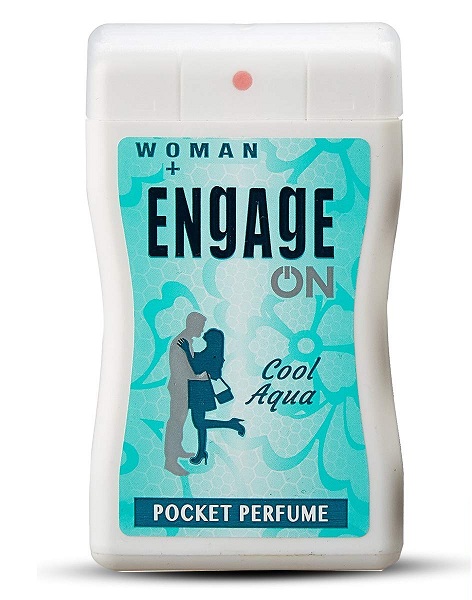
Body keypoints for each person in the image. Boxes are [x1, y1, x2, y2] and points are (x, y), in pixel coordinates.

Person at [177, 328, 245, 466]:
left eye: (208, 337)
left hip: (201, 390)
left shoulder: (212, 356)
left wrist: (186, 350)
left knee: (198, 423)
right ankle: (202, 451)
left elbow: (197, 369)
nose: (205, 337)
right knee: (200, 424)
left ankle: (231, 424)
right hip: (197, 388)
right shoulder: (210, 353)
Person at [164, 312, 207, 476]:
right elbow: (182, 369)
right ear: (193, 325)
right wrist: (199, 377)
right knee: (176, 421)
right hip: (180, 388)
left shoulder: (187, 340)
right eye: (200, 327)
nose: (202, 330)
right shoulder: (181, 342)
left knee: (179, 421)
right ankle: (170, 461)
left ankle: (177, 449)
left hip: (183, 387)